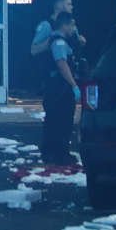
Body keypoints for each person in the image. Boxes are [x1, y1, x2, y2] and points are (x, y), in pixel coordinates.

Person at [41, 12, 81, 168]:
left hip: (57, 88)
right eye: (72, 25)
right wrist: (73, 85)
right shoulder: (59, 42)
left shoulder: (60, 41)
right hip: (59, 89)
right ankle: (59, 155)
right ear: (65, 25)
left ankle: (53, 153)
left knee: (54, 120)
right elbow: (62, 64)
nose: (73, 28)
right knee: (61, 121)